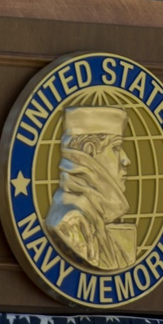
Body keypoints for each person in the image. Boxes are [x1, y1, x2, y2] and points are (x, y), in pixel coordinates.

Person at [45, 106, 137, 271]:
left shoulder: (93, 217)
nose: (126, 159)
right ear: (89, 151)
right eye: (116, 148)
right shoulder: (71, 222)